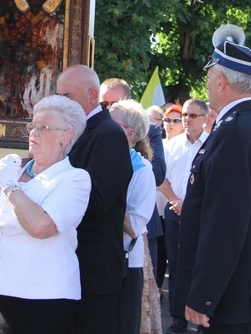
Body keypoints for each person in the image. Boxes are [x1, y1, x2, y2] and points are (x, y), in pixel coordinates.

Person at [0, 95, 91, 333]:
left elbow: (41, 227)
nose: (33, 133)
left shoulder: (74, 178)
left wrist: (9, 187)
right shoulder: (12, 171)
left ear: (65, 137)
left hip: (44, 299)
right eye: (33, 126)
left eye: (44, 127)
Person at [170, 41, 251, 332]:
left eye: (209, 79)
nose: (207, 87)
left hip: (230, 295)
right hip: (246, 289)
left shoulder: (234, 132)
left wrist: (203, 296)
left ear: (221, 82)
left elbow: (224, 224)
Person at [55, 65, 133, 334]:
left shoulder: (108, 134)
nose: (60, 104)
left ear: (91, 96)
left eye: (67, 97)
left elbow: (99, 201)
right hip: (69, 265)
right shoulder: (72, 131)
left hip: (94, 269)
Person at [159, 98, 209, 333]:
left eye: (193, 116)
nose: (187, 120)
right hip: (174, 212)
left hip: (200, 216)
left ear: (205, 118)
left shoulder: (212, 144)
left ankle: (201, 315)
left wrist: (188, 205)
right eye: (185, 116)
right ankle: (178, 317)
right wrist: (176, 202)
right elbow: (161, 178)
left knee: (201, 265)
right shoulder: (171, 145)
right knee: (177, 266)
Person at [109, 100, 157, 334]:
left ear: (129, 133)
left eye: (111, 121)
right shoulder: (98, 157)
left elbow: (135, 226)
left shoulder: (142, 170)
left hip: (124, 262)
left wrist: (106, 196)